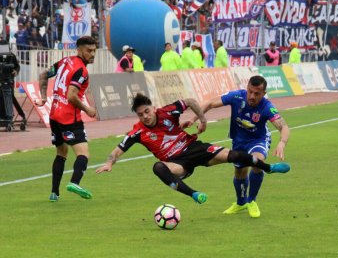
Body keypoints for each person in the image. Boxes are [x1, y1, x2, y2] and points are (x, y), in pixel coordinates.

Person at [96, 93, 290, 204]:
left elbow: (189, 101)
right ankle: (194, 194)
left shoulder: (168, 111)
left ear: (153, 108)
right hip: (178, 163)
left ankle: (269, 168)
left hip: (194, 148)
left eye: (147, 111)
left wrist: (203, 120)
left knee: (236, 156)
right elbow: (118, 149)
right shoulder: (137, 132)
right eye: (140, 114)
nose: (145, 116)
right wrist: (109, 162)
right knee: (158, 168)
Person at [184, 75, 290, 217]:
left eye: (257, 93)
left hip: (258, 140)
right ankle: (241, 203)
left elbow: (283, 127)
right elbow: (209, 103)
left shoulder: (266, 107)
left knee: (257, 162)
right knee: (240, 172)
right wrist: (194, 118)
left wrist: (282, 143)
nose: (252, 96)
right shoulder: (237, 97)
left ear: (264, 94)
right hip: (239, 141)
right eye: (250, 91)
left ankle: (251, 200)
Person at [35, 36, 97, 202]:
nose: (92, 54)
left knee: (61, 153)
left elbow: (43, 74)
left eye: (94, 51)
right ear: (79, 49)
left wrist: (42, 98)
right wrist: (88, 109)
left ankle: (54, 192)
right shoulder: (81, 71)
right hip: (70, 118)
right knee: (83, 154)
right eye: (88, 51)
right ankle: (75, 182)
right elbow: (71, 96)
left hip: (54, 115)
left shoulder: (65, 61)